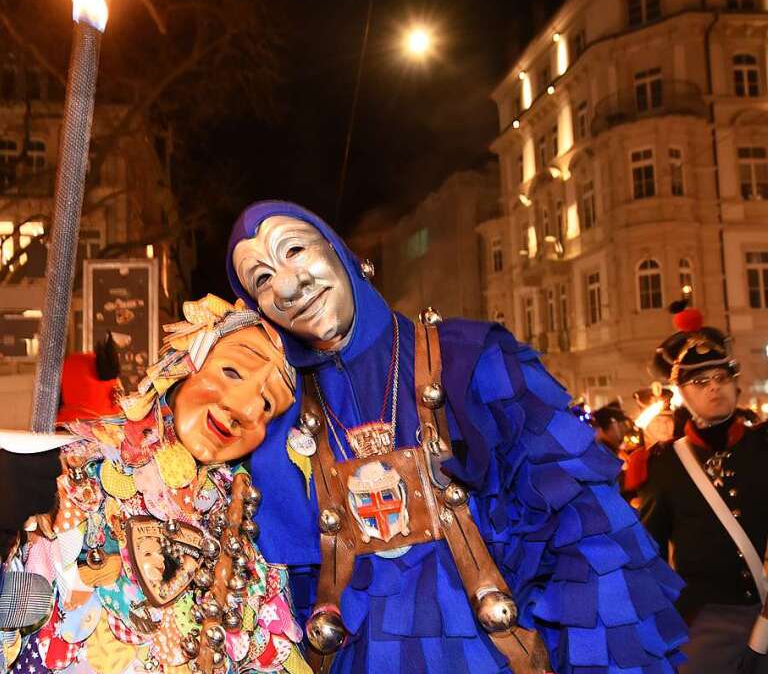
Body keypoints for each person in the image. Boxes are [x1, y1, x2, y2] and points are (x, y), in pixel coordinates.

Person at [227, 201, 686, 673]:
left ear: (341, 252)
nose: (287, 284)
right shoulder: (275, 420)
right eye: (260, 279)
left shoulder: (471, 361)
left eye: (295, 249)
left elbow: (588, 533)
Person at [0, 296, 307, 674]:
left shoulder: (243, 525)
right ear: (183, 366)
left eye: (267, 405)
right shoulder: (73, 467)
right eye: (232, 371)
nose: (246, 408)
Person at [638, 301, 768, 673]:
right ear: (680, 393)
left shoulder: (763, 447)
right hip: (703, 621)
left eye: (721, 378)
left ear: (735, 384)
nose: (714, 389)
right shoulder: (663, 463)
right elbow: (652, 553)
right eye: (700, 382)